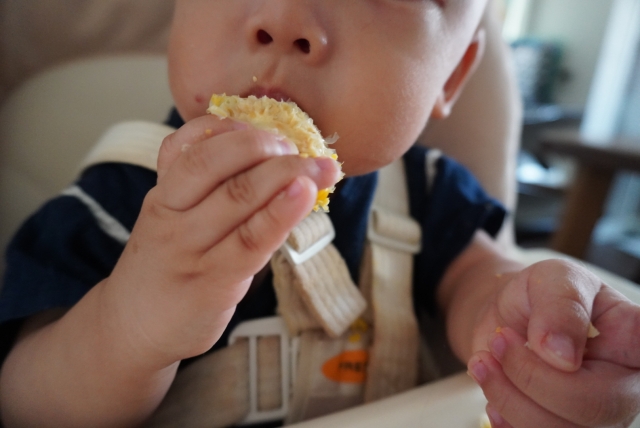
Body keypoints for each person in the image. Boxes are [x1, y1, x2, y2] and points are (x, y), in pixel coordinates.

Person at [0, 1, 639, 427]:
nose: (286, 19)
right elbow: (25, 402)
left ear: (452, 75)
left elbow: (481, 283)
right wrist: (132, 325)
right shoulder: (125, 195)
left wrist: (524, 320)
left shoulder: (429, 191)